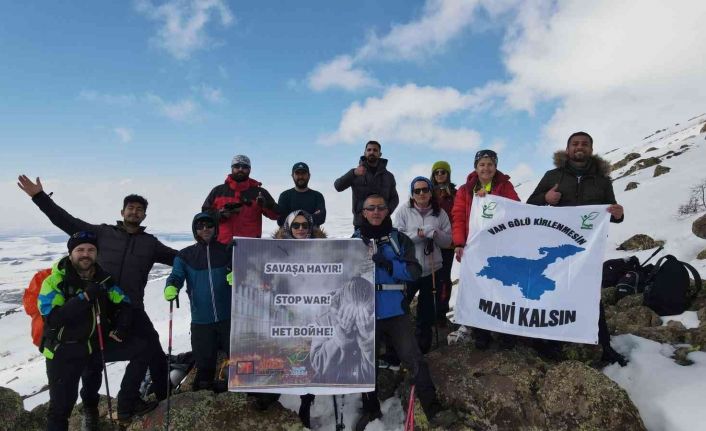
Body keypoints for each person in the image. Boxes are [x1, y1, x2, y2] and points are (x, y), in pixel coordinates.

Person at [18, 175, 176, 403]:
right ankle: (91, 411)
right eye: (130, 208)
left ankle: (161, 400)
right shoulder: (102, 233)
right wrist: (40, 197)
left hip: (131, 308)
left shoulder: (150, 244)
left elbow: (180, 258)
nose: (134, 212)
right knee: (92, 364)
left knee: (153, 351)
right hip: (96, 307)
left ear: (144, 216)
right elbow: (66, 221)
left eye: (139, 209)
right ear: (122, 212)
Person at [352, 194, 456, 431]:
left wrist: (389, 264)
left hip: (395, 311)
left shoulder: (398, 240)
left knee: (414, 358)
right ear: (363, 213)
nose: (376, 212)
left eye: (381, 208)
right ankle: (370, 410)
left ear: (387, 211)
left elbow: (413, 271)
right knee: (365, 364)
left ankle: (433, 408)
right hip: (366, 312)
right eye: (371, 208)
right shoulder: (353, 242)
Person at [527, 131, 627, 366]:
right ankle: (551, 342)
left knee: (591, 294)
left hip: (588, 249)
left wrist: (619, 215)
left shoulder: (602, 180)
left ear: (591, 149)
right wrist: (546, 198)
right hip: (557, 248)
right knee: (555, 291)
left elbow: (610, 212)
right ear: (568, 148)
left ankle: (603, 344)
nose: (579, 147)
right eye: (575, 144)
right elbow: (531, 204)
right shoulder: (553, 175)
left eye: (584, 144)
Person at [39, 231, 154, 430]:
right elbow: (53, 319)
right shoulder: (54, 281)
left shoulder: (103, 279)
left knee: (141, 351)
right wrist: (84, 298)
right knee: (60, 409)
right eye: (80, 249)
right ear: (70, 253)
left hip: (95, 345)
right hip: (63, 351)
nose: (86, 254)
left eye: (91, 250)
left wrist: (121, 327)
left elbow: (124, 302)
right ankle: (86, 414)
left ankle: (120, 405)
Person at [450, 150, 520, 350]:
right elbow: (458, 217)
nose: (486, 168)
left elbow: (515, 209)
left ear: (495, 167)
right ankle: (481, 332)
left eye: (490, 164)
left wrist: (490, 199)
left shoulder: (504, 186)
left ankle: (506, 332)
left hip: (501, 247)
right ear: (476, 167)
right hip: (475, 248)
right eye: (482, 164)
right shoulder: (465, 190)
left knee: (503, 287)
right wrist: (459, 243)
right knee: (477, 287)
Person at [164, 212, 232, 393]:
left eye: (209, 225)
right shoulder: (185, 255)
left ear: (215, 228)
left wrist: (238, 275)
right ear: (195, 230)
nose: (205, 229)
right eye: (200, 226)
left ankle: (234, 388)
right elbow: (176, 276)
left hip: (229, 316)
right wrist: (171, 286)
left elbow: (245, 270)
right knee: (204, 362)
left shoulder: (228, 251)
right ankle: (204, 391)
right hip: (201, 319)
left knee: (237, 357)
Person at [275, 210, 328, 428]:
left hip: (313, 311)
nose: (300, 229)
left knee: (310, 355)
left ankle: (306, 402)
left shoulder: (322, 249)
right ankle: (280, 397)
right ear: (288, 228)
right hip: (287, 312)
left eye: (305, 225)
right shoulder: (276, 250)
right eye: (296, 226)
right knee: (290, 357)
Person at [393, 176, 452, 353]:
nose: (421, 193)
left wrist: (434, 234)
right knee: (401, 306)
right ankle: (397, 343)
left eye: (425, 189)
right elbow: (397, 240)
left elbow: (448, 241)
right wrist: (418, 235)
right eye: (417, 190)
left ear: (430, 191)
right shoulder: (403, 211)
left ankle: (423, 347)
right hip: (409, 269)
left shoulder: (439, 213)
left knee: (426, 311)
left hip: (433, 270)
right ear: (412, 194)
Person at [202, 154, 279, 244]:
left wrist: (266, 205)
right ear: (232, 168)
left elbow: (276, 215)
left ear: (250, 169)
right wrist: (220, 214)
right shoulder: (218, 191)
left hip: (249, 246)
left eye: (245, 167)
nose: (240, 169)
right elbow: (204, 216)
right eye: (237, 166)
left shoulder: (260, 193)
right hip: (221, 245)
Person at [334, 141, 399, 228]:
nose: (372, 152)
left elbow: (395, 198)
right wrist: (353, 173)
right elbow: (338, 186)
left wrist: (387, 212)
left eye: (375, 150)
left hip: (384, 223)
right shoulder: (355, 173)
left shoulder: (389, 176)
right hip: (361, 224)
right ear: (365, 153)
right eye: (369, 150)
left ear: (380, 154)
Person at [430, 161, 457, 326]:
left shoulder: (455, 193)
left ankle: (441, 313)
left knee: (444, 278)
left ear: (448, 174)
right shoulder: (426, 191)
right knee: (431, 278)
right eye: (437, 172)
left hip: (448, 242)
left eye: (443, 172)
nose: (440, 175)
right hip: (430, 242)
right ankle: (430, 311)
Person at [276, 162, 326, 227]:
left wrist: (291, 216)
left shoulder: (318, 196)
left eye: (303, 173)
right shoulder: (285, 196)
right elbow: (281, 220)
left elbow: (321, 218)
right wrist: (311, 217)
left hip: (313, 235)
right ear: (292, 176)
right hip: (287, 236)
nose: (300, 176)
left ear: (309, 175)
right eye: (297, 173)